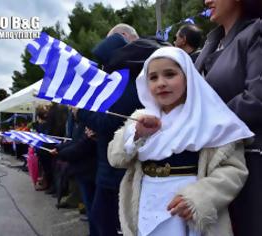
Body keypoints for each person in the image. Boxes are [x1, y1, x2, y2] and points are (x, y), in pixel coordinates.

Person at [107, 47, 254, 236]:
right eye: (153, 77)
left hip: (187, 213)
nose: (161, 83)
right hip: (147, 207)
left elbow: (234, 171)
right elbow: (115, 158)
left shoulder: (213, 119)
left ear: (187, 77)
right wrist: (136, 135)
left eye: (170, 74)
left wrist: (199, 198)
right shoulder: (140, 118)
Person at [77, 24, 170, 236]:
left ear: (124, 37)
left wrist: (80, 113)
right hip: (117, 162)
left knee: (110, 220)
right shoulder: (137, 64)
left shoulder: (130, 70)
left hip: (122, 170)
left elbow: (111, 119)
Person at [195, 1, 262, 235]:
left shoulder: (256, 32)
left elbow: (257, 99)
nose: (206, 2)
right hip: (211, 165)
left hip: (250, 164)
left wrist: (204, 122)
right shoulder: (211, 42)